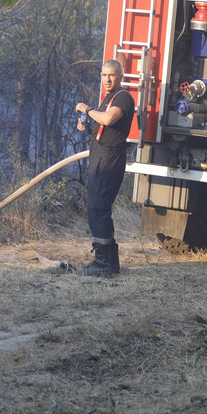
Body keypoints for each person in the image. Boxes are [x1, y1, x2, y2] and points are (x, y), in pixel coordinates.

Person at [69, 59, 135, 277]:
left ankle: (104, 264)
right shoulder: (107, 98)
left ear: (120, 76)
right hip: (100, 157)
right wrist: (87, 127)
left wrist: (87, 109)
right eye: (104, 75)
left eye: (112, 75)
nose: (107, 79)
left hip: (110, 160)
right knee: (96, 208)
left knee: (99, 209)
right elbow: (102, 130)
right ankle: (108, 264)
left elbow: (107, 119)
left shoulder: (123, 97)